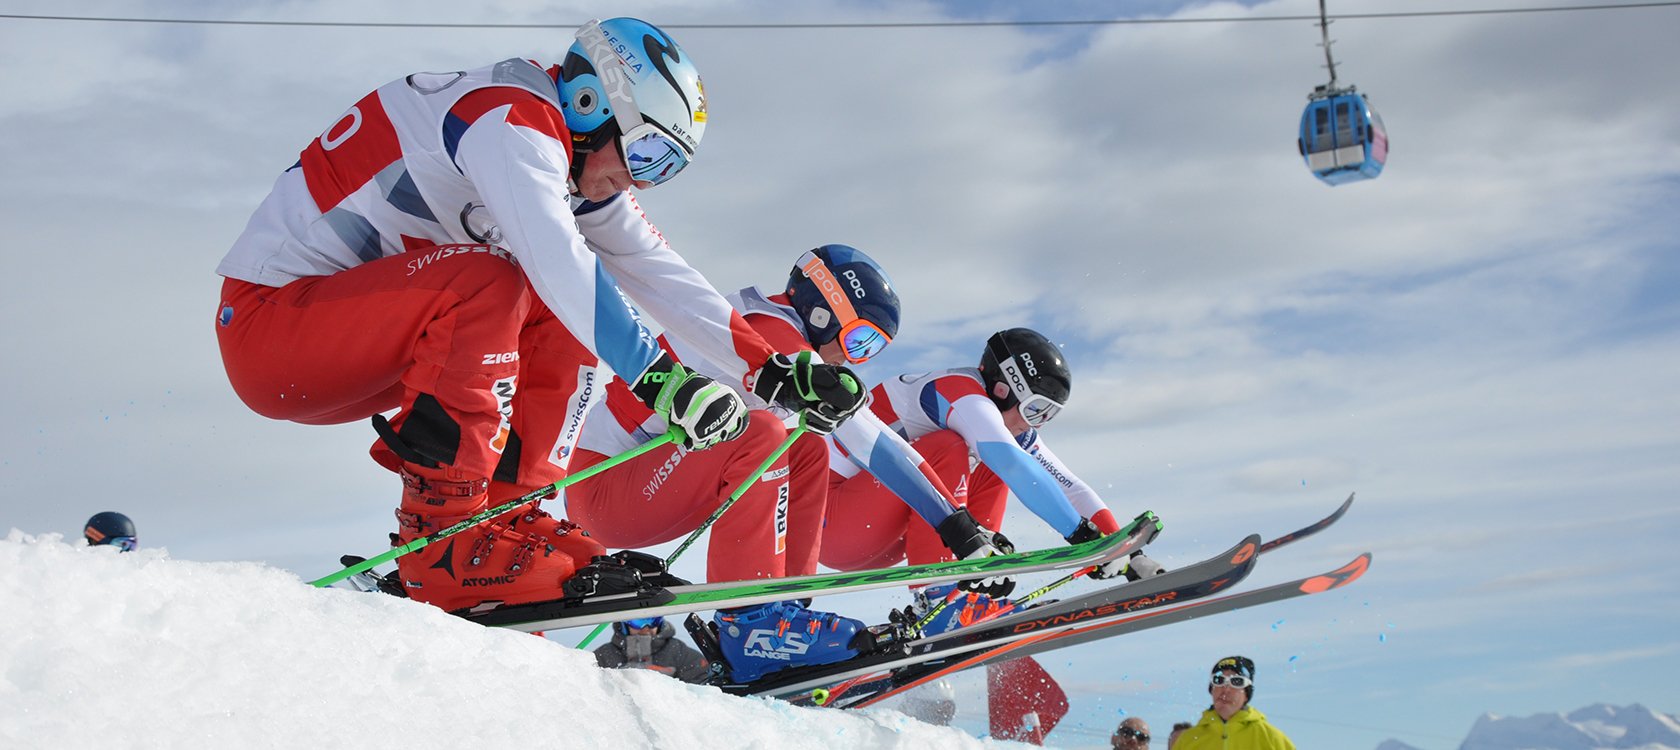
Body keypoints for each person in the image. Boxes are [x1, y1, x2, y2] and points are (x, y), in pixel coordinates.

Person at [213, 17, 865, 615]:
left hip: (360, 335)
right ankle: (444, 541)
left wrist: (773, 370)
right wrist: (664, 382)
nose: (639, 181)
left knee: (558, 301)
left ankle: (498, 517)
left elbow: (662, 273)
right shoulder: (511, 122)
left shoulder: (570, 159)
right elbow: (558, 258)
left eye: (663, 171)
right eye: (645, 156)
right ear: (592, 105)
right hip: (272, 330)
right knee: (497, 281)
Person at [569, 245, 1010, 682]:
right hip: (608, 488)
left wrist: (960, 525)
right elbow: (870, 440)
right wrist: (956, 526)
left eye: (872, 349)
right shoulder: (767, 332)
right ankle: (750, 624)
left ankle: (783, 613)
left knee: (806, 447)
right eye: (860, 340)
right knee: (760, 431)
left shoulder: (783, 337)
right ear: (824, 313)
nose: (855, 358)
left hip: (648, 481)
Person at [820, 327, 1162, 635]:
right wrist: (1080, 535)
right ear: (1003, 388)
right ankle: (938, 598)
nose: (1035, 425)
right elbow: (1011, 464)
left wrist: (1126, 552)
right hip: (835, 524)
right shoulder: (959, 392)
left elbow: (1069, 486)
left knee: (1002, 457)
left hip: (886, 531)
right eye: (1035, 410)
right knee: (956, 449)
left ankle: (966, 588)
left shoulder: (1006, 425)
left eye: (1047, 416)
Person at [1174, 656, 1296, 750]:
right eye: (1219, 680)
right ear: (1212, 689)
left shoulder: (1272, 739)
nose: (1226, 689)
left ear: (1246, 694)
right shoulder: (1187, 740)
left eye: (1236, 681)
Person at [592, 616, 711, 684]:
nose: (646, 628)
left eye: (652, 621)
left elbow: (702, 685)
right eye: (638, 622)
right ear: (624, 624)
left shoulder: (678, 652)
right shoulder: (604, 656)